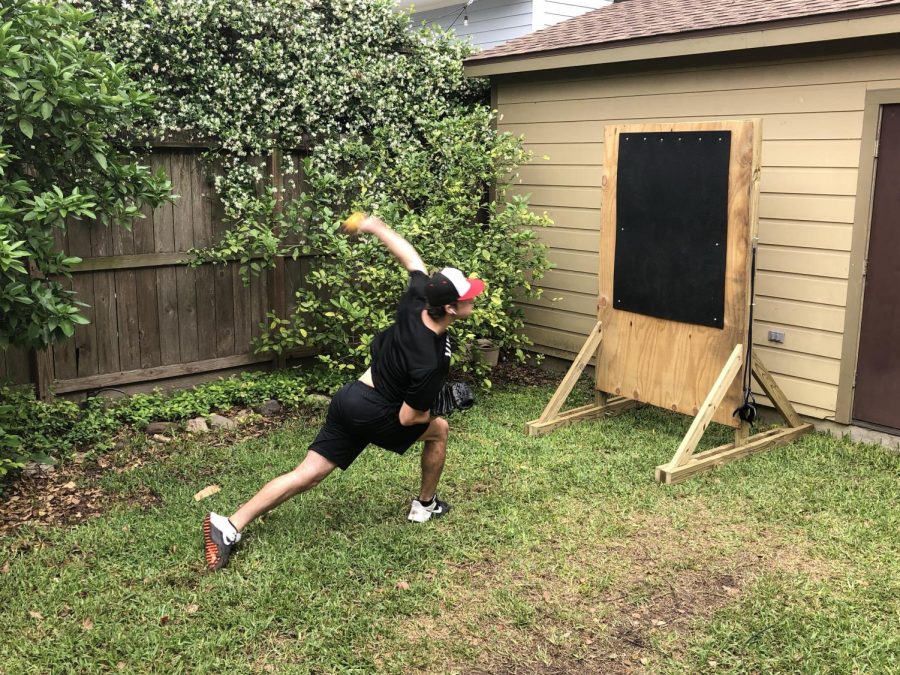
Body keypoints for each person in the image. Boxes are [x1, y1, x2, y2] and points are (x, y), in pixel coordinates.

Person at [202, 213, 485, 571]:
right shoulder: (430, 360)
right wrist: (439, 405)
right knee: (439, 429)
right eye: (469, 297)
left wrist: (377, 228)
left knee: (308, 473)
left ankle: (228, 525)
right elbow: (408, 417)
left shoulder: (417, 301)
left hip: (350, 398)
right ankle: (425, 505)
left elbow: (412, 260)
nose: (474, 300)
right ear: (449, 307)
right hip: (377, 411)